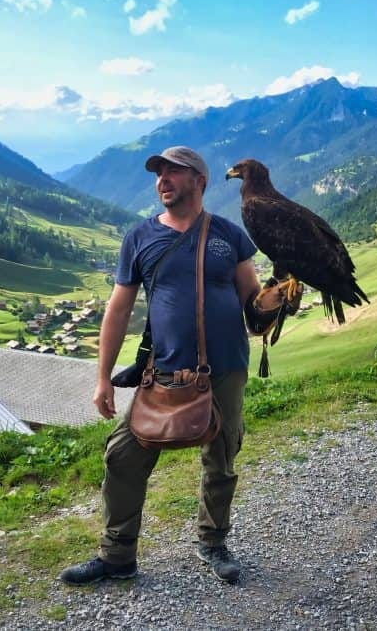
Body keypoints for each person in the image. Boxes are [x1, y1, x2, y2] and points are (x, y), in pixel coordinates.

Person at [59, 146, 287, 586]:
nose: (162, 179)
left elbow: (253, 307)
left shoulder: (229, 235)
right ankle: (117, 555)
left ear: (199, 180)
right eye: (158, 173)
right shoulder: (139, 237)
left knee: (221, 459)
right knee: (123, 456)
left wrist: (276, 301)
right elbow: (118, 310)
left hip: (226, 368)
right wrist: (102, 377)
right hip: (163, 370)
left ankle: (213, 543)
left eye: (173, 172)